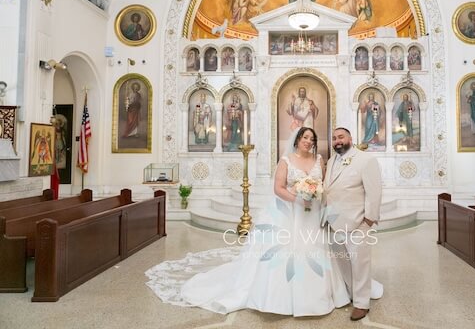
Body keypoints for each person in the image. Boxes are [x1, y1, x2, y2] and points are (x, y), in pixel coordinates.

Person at [145, 127, 368, 316]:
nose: (308, 142)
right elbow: (278, 188)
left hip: (314, 214)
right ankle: (282, 298)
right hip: (291, 212)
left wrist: (316, 195)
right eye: (305, 137)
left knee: (317, 251)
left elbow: (325, 184)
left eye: (312, 139)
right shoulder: (287, 160)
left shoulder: (320, 160)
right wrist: (298, 199)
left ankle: (324, 294)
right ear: (298, 139)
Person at [323, 127, 383, 321]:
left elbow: (374, 191)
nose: (337, 141)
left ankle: (361, 303)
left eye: (341, 137)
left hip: (357, 222)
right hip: (333, 221)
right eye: (334, 138)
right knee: (343, 262)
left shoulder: (366, 160)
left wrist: (369, 219)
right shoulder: (331, 161)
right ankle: (351, 293)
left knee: (360, 263)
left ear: (350, 138)